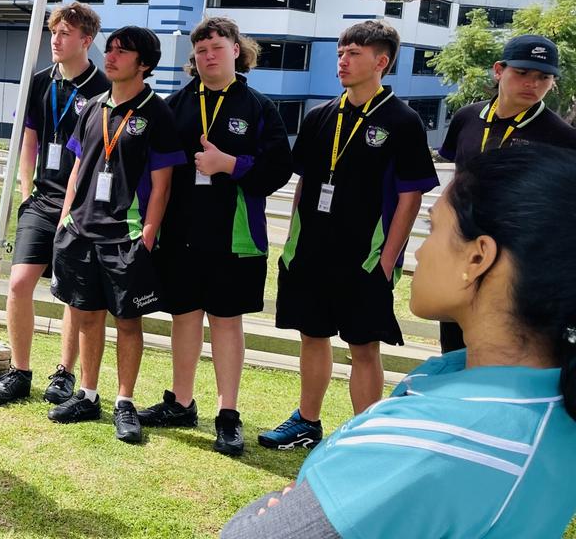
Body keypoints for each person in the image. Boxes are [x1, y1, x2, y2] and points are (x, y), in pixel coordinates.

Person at [223, 144, 576, 539]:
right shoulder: (554, 406)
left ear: (478, 258)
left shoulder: (432, 442)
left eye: (434, 228)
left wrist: (280, 504)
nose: (421, 251)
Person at [260, 20, 438, 451]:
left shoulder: (403, 120)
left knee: (363, 345)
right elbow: (304, 184)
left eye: (353, 53)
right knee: (312, 335)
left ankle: (366, 435)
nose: (342, 60)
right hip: (311, 252)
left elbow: (411, 196)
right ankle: (307, 419)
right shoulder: (322, 115)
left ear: (382, 61)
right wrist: (292, 245)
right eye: (340, 52)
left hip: (365, 255)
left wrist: (388, 258)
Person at [148, 18, 292, 456]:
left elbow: (279, 170)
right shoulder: (175, 104)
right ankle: (182, 402)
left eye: (217, 46)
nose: (208, 55)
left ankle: (228, 413)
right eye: (201, 49)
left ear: (236, 50)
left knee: (227, 322)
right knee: (184, 317)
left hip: (236, 237)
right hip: (181, 233)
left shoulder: (260, 107)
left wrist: (229, 164)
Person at [48, 26, 185, 444]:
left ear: (144, 63)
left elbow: (163, 185)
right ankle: (88, 394)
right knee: (87, 315)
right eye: (109, 49)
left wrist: (146, 235)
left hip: (125, 236)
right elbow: (77, 166)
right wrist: (65, 215)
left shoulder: (156, 112)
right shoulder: (92, 106)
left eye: (121, 51)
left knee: (128, 322)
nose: (110, 56)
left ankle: (125, 402)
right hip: (81, 229)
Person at [0, 2, 109, 407]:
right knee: (19, 283)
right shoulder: (38, 81)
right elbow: (30, 140)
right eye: (53, 32)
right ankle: (19, 371)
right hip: (42, 198)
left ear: (85, 41)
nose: (55, 40)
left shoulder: (103, 89)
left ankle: (65, 373)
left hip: (83, 204)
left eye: (65, 33)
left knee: (72, 292)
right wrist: (25, 193)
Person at [437, 34, 576, 353]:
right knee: (454, 348)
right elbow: (455, 175)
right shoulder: (466, 118)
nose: (532, 83)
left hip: (517, 260)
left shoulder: (562, 138)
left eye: (543, 77)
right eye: (523, 72)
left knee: (501, 350)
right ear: (499, 70)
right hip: (463, 249)